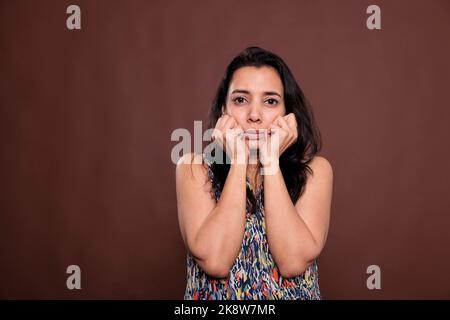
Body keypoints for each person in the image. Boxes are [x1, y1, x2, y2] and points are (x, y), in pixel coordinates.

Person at [176, 46, 333, 299]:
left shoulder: (316, 171)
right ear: (223, 110)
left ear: (287, 113)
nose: (254, 115)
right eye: (240, 99)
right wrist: (239, 159)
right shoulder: (194, 168)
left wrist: (269, 160)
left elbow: (292, 262)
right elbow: (216, 260)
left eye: (270, 101)